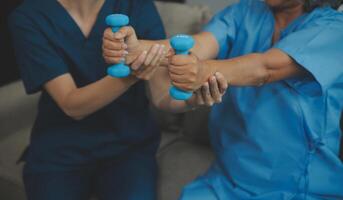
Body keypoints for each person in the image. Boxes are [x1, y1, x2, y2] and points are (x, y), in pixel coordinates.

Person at [102, 0, 343, 199]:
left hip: (297, 188)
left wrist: (202, 70)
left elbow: (266, 68)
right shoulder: (246, 11)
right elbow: (197, 45)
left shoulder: (333, 30)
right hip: (226, 180)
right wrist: (136, 49)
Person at [8, 0, 227, 199]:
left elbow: (161, 97)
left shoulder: (136, 6)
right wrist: (132, 75)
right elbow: (71, 105)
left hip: (128, 149)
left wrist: (194, 100)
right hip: (60, 151)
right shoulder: (29, 17)